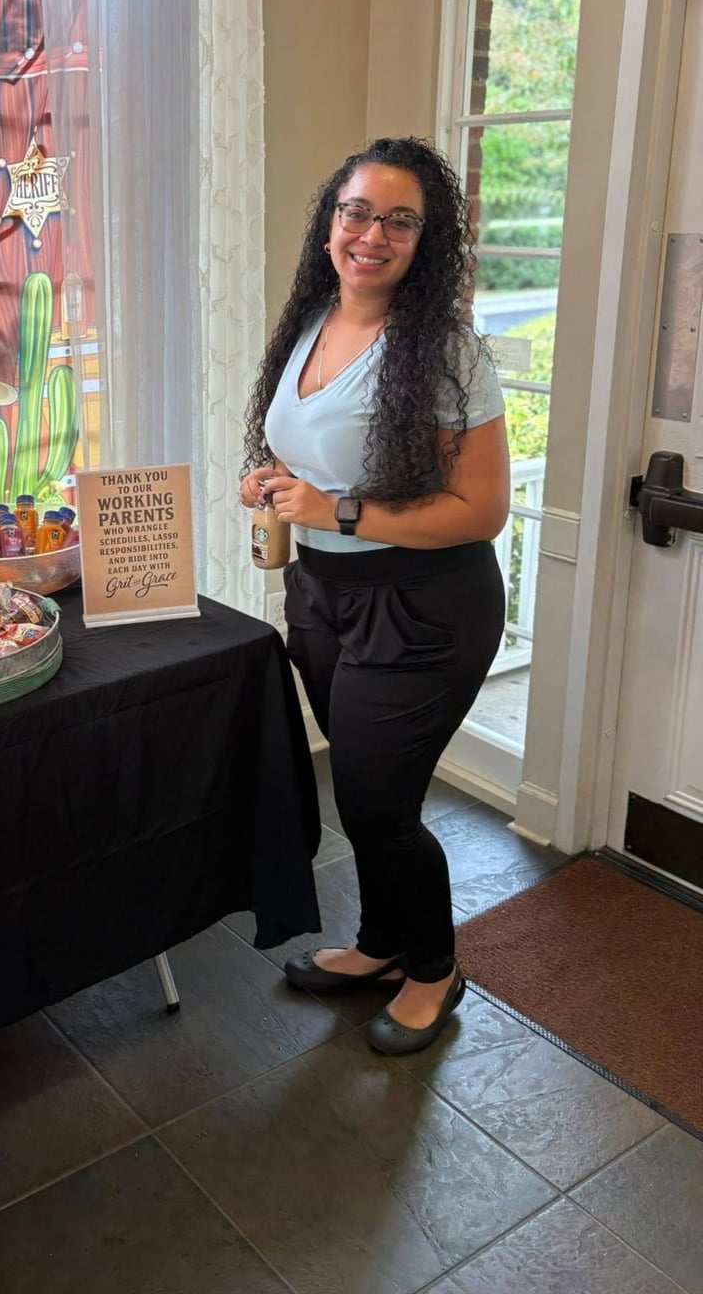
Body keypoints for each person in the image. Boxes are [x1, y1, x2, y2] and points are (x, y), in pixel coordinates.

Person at [240, 136, 509, 1055]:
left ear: (425, 242)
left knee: (379, 802)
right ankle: (385, 944)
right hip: (323, 594)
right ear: (329, 225)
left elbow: (483, 511)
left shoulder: (445, 351)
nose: (373, 233)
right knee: (362, 798)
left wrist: (338, 510)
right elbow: (319, 447)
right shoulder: (313, 322)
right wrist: (277, 481)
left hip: (427, 605)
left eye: (402, 220)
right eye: (358, 212)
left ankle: (434, 969)